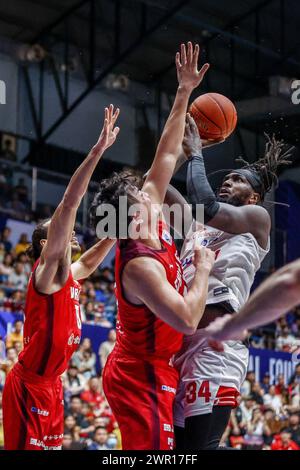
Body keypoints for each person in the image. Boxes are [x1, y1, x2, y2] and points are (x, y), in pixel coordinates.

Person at [90, 42, 215, 450]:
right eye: (141, 196)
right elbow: (185, 320)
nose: (150, 191)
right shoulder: (139, 266)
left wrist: (184, 90)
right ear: (132, 217)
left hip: (159, 365)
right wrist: (204, 266)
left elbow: (165, 152)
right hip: (137, 375)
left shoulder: (147, 215)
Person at [165, 119, 291, 449]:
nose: (227, 182)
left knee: (199, 449)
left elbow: (206, 205)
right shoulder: (194, 224)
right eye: (227, 178)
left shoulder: (256, 220)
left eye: (236, 180)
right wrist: (178, 151)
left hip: (215, 350)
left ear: (254, 197)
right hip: (180, 348)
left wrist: (195, 156)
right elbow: (156, 184)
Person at [2, 105, 119, 450]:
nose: (67, 230)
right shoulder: (48, 271)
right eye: (57, 230)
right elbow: (69, 203)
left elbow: (93, 260)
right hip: (29, 385)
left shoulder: (69, 276)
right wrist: (98, 151)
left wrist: (117, 231)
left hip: (53, 385)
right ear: (45, 243)